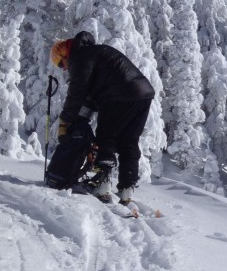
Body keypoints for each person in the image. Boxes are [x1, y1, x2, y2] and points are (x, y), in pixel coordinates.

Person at [46, 30, 155, 204]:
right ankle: (127, 189)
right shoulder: (94, 53)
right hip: (143, 94)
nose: (64, 68)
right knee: (128, 140)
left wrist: (65, 121)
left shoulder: (80, 57)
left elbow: (77, 93)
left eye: (61, 63)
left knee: (106, 137)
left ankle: (102, 184)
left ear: (65, 53)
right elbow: (89, 98)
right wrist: (80, 120)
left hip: (119, 95)